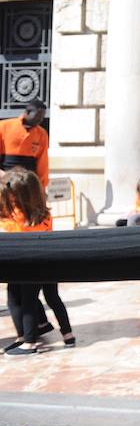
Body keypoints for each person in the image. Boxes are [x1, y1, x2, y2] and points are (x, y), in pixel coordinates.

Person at [3, 168, 74, 355]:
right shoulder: (43, 213)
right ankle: (68, 335)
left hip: (27, 266)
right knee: (52, 299)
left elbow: (10, 233)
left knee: (20, 300)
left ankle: (27, 341)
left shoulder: (18, 218)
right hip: (49, 262)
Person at [0, 100, 49, 187]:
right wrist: (4, 176)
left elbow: (43, 164)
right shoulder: (3, 127)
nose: (41, 120)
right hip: (4, 182)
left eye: (42, 117)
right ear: (28, 112)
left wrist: (42, 186)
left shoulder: (42, 134)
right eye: (38, 116)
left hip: (29, 185)